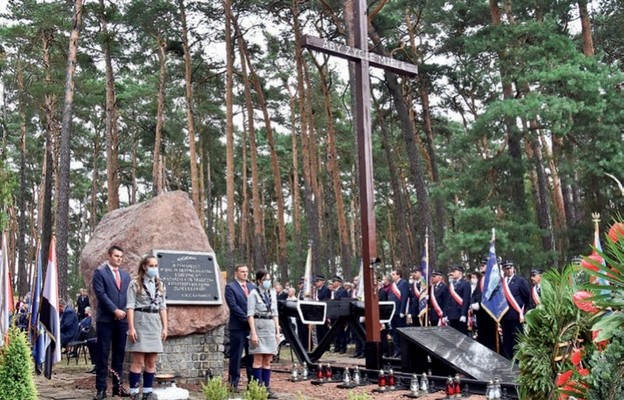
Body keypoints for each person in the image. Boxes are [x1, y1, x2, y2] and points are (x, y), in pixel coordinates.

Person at [92, 245, 132, 400]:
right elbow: (101, 294)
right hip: (106, 320)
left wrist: (123, 312)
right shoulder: (100, 273)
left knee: (119, 354)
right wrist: (114, 310)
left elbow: (128, 295)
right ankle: (101, 388)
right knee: (103, 354)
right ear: (109, 256)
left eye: (121, 256)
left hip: (122, 321)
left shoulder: (126, 275)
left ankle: (117, 387)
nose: (119, 259)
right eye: (116, 256)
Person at [126, 255, 168, 400]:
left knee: (151, 362)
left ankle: (148, 392)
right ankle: (134, 392)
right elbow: (130, 307)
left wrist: (165, 328)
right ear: (144, 266)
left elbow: (163, 307)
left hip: (155, 323)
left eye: (156, 266)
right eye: (151, 266)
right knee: (138, 362)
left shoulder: (161, 284)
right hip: (140, 321)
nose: (154, 269)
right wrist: (131, 328)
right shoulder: (135, 284)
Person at [247, 269, 280, 399]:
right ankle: (258, 387)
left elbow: (275, 312)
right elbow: (250, 314)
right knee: (258, 359)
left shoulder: (272, 293)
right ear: (259, 281)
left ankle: (266, 388)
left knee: (268, 360)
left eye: (269, 279)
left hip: (270, 326)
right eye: (266, 279)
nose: (268, 282)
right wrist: (253, 333)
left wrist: (277, 331)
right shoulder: (253, 294)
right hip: (258, 326)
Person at [225, 264, 256, 392]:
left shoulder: (252, 287)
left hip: (251, 328)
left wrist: (253, 322)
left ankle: (252, 383)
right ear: (236, 273)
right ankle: (233, 384)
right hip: (238, 327)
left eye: (246, 271)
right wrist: (247, 319)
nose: (245, 274)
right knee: (236, 356)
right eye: (242, 271)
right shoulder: (230, 287)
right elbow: (233, 306)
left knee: (252, 356)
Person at [500, 260, 530, 359]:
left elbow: (527, 297)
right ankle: (508, 360)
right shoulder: (502, 282)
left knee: (517, 340)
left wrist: (523, 312)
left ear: (513, 268)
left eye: (509, 268)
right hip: (505, 316)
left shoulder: (520, 281)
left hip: (516, 316)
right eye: (506, 268)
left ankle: (519, 361)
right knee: (507, 341)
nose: (508, 270)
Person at [388, 269, 409, 358]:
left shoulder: (403, 283)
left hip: (399, 312)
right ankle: (397, 351)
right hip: (392, 312)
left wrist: (402, 311)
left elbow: (404, 297)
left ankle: (403, 352)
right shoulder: (393, 285)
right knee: (394, 332)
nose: (391, 275)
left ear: (398, 275)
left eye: (393, 274)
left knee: (401, 332)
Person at [445, 265, 471, 335]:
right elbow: (448, 300)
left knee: (462, 334)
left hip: (459, 313)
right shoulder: (451, 285)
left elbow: (466, 300)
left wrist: (463, 314)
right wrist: (446, 314)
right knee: (453, 335)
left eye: (454, 272)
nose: (452, 273)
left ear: (460, 273)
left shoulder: (465, 283)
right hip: (451, 314)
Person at [313, 275, 331, 346]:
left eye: (317, 281)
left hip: (323, 312)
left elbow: (325, 301)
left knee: (324, 329)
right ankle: (320, 344)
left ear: (322, 281)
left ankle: (326, 345)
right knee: (319, 329)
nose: (316, 283)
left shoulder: (326, 289)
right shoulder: (317, 290)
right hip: (318, 312)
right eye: (315, 281)